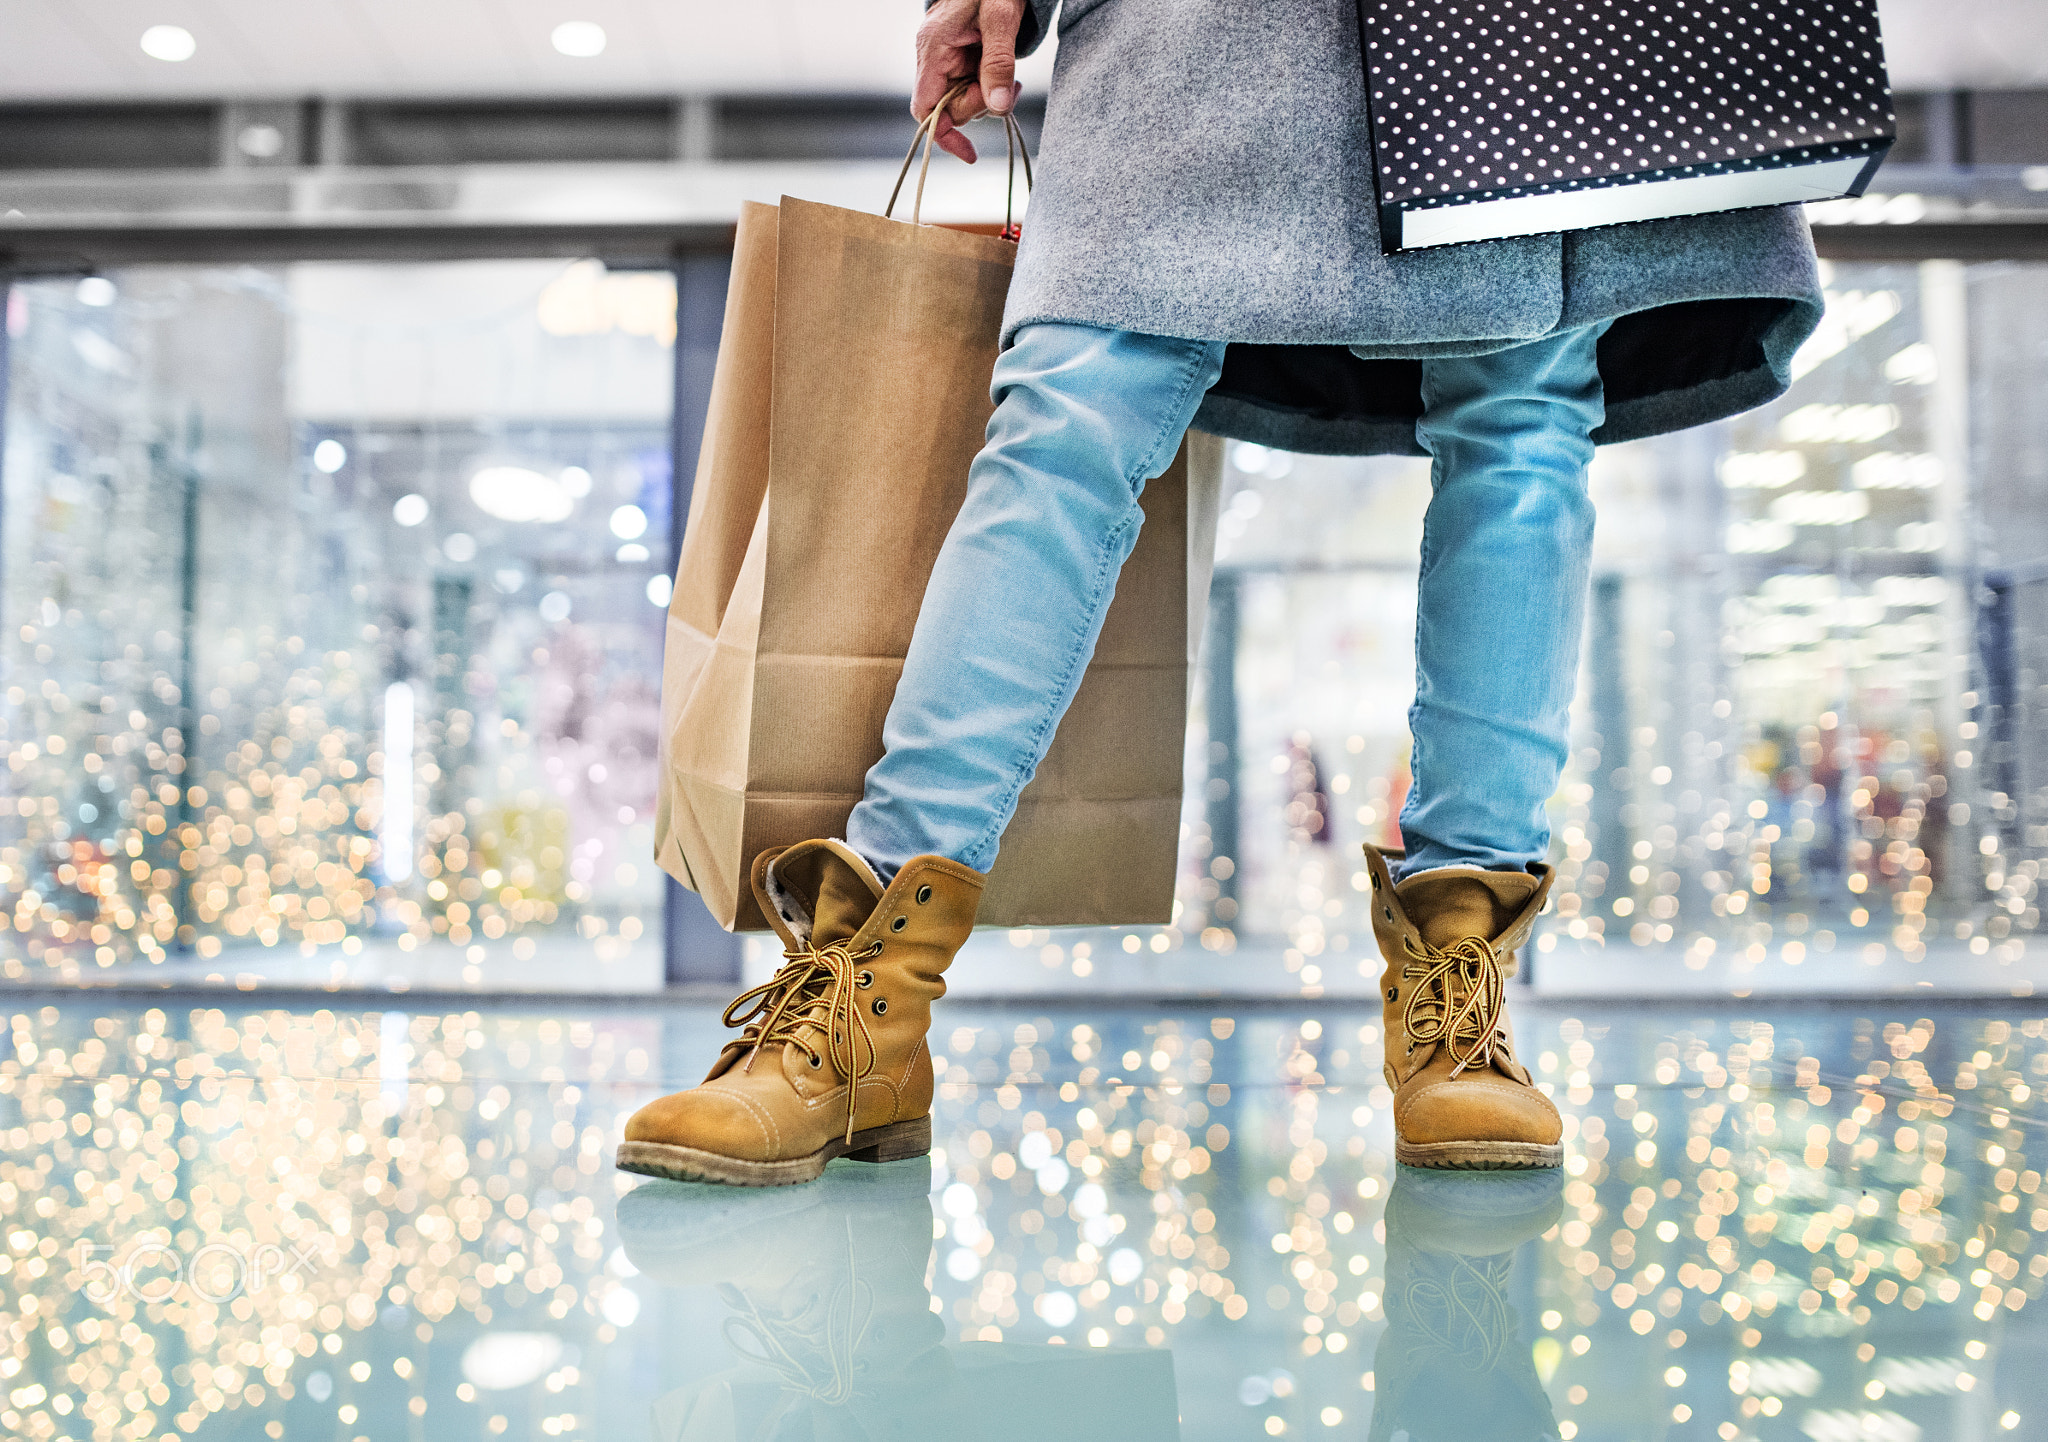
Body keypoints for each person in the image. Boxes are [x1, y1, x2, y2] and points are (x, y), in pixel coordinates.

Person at [618, 0, 1824, 1184]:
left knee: (1519, 415)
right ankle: (861, 994)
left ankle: (1458, 986)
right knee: (1067, 404)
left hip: (1510, 35)